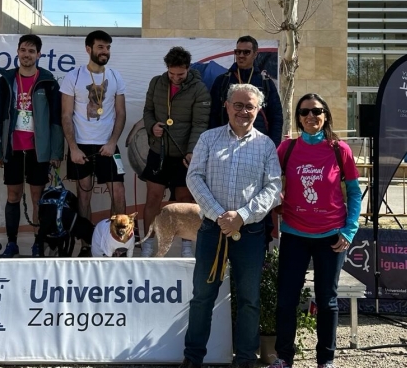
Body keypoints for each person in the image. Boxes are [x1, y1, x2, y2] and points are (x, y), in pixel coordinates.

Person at [170, 84, 281, 368]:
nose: (243, 111)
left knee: (248, 299)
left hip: (250, 233)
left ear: (258, 110)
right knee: (202, 296)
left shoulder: (266, 146)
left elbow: (273, 189)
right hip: (212, 231)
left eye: (250, 106)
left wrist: (241, 217)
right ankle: (192, 360)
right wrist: (220, 215)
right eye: (238, 104)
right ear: (227, 106)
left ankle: (246, 362)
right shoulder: (208, 139)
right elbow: (194, 178)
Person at [261, 93, 361, 368]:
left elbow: (354, 193)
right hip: (294, 234)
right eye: (304, 112)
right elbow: (269, 183)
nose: (311, 116)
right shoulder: (287, 148)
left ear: (326, 115)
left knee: (328, 300)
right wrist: (275, 201)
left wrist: (349, 230)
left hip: (331, 236)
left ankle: (325, 363)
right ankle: (284, 361)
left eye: (317, 111)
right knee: (287, 300)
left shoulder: (339, 149)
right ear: (298, 117)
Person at [0, 34, 63, 258]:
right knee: (13, 195)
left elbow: (56, 120)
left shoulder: (48, 82)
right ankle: (12, 243)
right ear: (18, 52)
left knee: (37, 197)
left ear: (39, 55)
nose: (27, 55)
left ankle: (38, 243)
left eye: (31, 51)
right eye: (23, 50)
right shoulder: (6, 81)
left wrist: (56, 151)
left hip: (38, 150)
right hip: (13, 148)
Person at [60, 29, 127, 256]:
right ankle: (87, 243)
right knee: (84, 196)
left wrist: (112, 142)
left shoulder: (116, 77)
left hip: (108, 145)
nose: (105, 52)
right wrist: (73, 148)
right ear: (88, 49)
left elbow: (121, 114)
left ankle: (117, 241)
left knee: (118, 193)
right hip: (81, 146)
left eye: (107, 47)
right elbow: (66, 115)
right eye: (100, 47)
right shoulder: (74, 77)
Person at [140, 46, 211, 258]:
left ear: (188, 69)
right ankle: (147, 245)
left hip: (184, 156)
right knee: (152, 199)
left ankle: (187, 247)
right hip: (158, 152)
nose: (176, 78)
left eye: (180, 74)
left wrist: (191, 152)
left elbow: (200, 124)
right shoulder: (156, 83)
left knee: (184, 202)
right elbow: (148, 111)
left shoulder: (199, 89)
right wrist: (153, 126)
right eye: (172, 74)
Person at [209, 35, 283, 146]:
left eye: (246, 52)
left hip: (257, 143)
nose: (241, 56)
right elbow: (213, 114)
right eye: (238, 52)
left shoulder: (266, 82)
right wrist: (213, 142)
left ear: (255, 54)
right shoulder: (223, 80)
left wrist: (273, 145)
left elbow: (276, 116)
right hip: (226, 142)